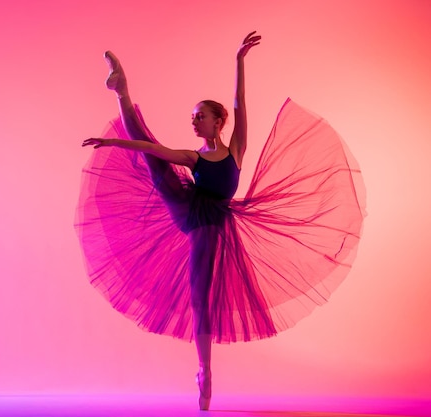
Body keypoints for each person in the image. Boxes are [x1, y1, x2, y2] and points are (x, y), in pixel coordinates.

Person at [77, 32, 364, 411]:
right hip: (189, 210)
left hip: (213, 222)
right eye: (193, 117)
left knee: (201, 297)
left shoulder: (237, 150)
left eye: (201, 116)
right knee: (152, 155)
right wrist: (116, 144)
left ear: (218, 122)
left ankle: (204, 371)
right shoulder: (193, 158)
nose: (194, 121)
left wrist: (239, 61)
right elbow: (152, 148)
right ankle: (122, 90)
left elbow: (239, 103)